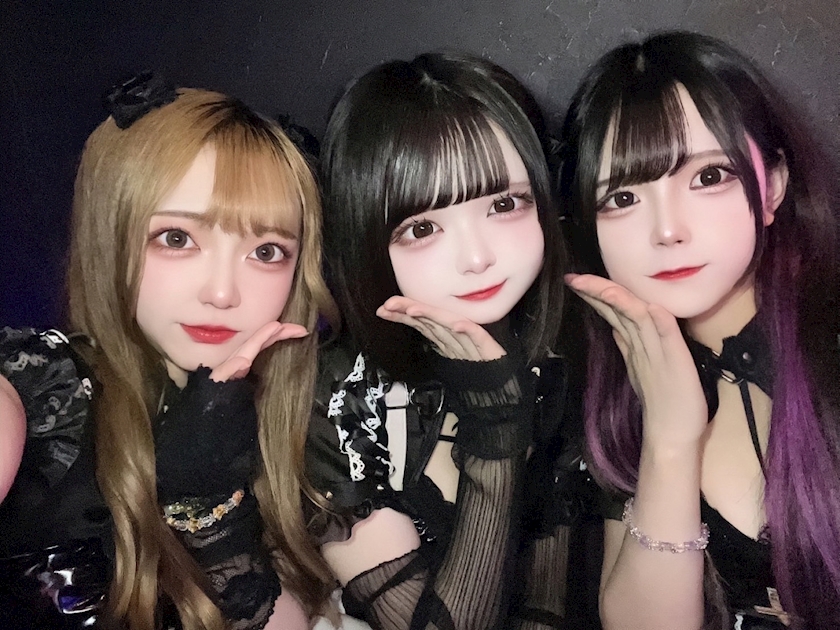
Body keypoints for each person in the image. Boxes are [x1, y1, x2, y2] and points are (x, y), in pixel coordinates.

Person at [0, 76, 338, 630]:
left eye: (266, 251)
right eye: (177, 239)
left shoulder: (279, 419)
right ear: (112, 235)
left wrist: (213, 505)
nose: (223, 294)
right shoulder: (39, 392)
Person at [305, 52, 602, 630]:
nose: (476, 257)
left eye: (504, 204)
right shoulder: (340, 401)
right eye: (422, 228)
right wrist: (496, 433)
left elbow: (544, 609)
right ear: (365, 240)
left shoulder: (572, 356)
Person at [558, 31, 840, 629]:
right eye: (623, 198)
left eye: (709, 177)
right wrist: (669, 437)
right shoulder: (616, 389)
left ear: (774, 187)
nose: (667, 230)